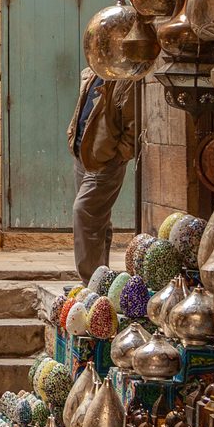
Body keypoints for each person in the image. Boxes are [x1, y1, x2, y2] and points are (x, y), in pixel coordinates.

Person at [67, 70, 137, 282]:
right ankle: (101, 278)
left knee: (83, 212)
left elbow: (133, 127)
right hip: (83, 156)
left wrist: (117, 157)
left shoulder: (126, 81)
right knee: (98, 221)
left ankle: (89, 282)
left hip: (104, 162)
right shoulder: (95, 73)